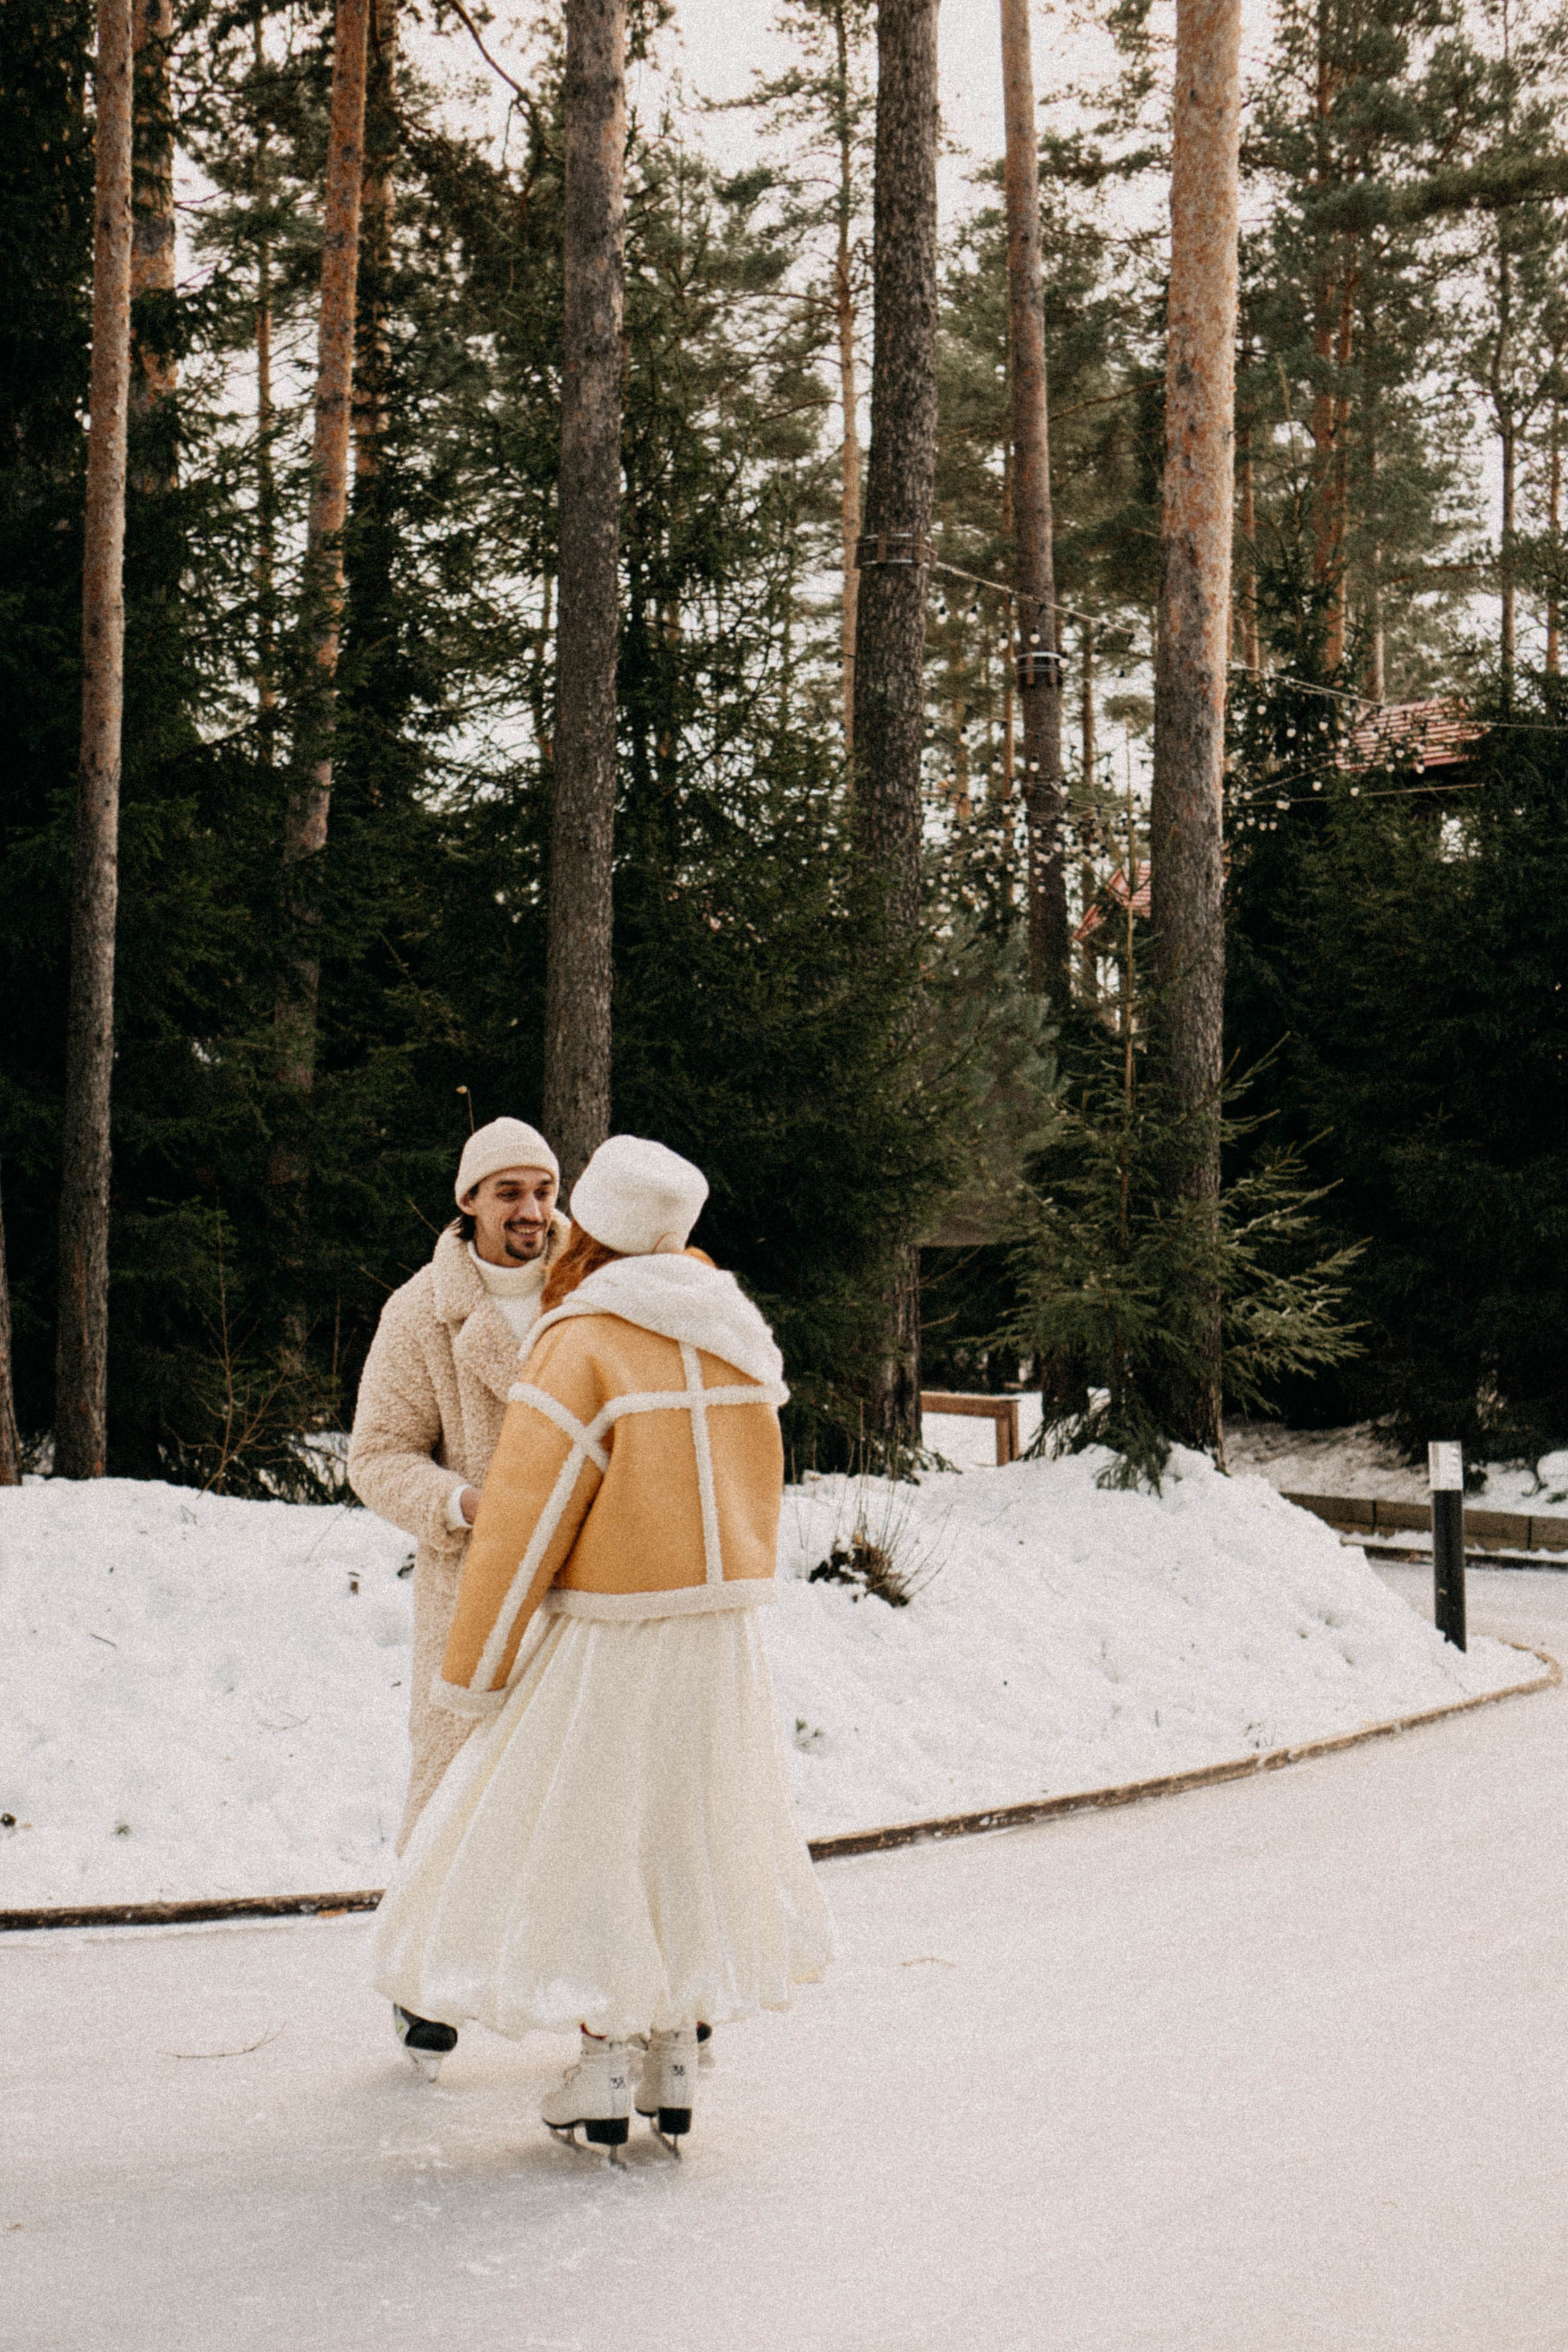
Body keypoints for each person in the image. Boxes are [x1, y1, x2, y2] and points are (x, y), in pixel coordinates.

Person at [369, 1134, 834, 2156]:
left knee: (599, 1840)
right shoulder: (732, 1329)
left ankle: (605, 2064)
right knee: (684, 1832)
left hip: (614, 1635)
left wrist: (475, 1671)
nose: (541, 1214)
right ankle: (673, 2052)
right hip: (722, 1640)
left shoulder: (583, 1341)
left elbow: (527, 1524)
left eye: (554, 1194)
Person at [348, 1118, 568, 2067]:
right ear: (469, 1200)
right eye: (509, 1192)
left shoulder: (595, 1292)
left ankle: (620, 1999)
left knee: (586, 1780)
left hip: (585, 1585)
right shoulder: (420, 1314)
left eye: (544, 1191)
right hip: (473, 1585)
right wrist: (466, 1504)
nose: (531, 1211)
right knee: (452, 1784)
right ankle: (423, 1982)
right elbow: (376, 1456)